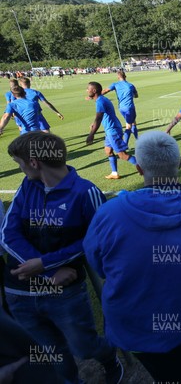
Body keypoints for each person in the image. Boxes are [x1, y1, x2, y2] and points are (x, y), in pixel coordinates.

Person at [83, 131, 181, 384]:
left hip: (141, 321)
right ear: (180, 163)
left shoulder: (109, 213)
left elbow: (98, 264)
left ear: (139, 168)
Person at [0, 132, 123, 384]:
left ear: (34, 162)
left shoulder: (86, 192)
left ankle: (110, 358)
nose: (19, 168)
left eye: (18, 162)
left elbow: (95, 241)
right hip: (20, 292)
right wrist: (45, 271)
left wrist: (44, 263)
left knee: (84, 347)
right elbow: (7, 234)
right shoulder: (27, 186)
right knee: (51, 357)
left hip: (64, 292)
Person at [86, 81, 137, 179]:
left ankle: (146, 167)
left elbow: (99, 118)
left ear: (94, 90)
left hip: (113, 130)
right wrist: (93, 123)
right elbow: (100, 116)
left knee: (122, 155)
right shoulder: (101, 99)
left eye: (88, 89)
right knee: (108, 150)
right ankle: (114, 173)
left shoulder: (100, 101)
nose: (87, 90)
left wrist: (91, 134)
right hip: (110, 130)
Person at [101, 70, 139, 145]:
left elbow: (105, 91)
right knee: (129, 126)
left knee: (133, 122)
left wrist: (96, 95)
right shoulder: (130, 85)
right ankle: (125, 144)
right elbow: (136, 95)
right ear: (125, 76)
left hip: (121, 108)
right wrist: (132, 95)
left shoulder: (115, 84)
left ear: (118, 77)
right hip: (129, 108)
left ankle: (138, 139)